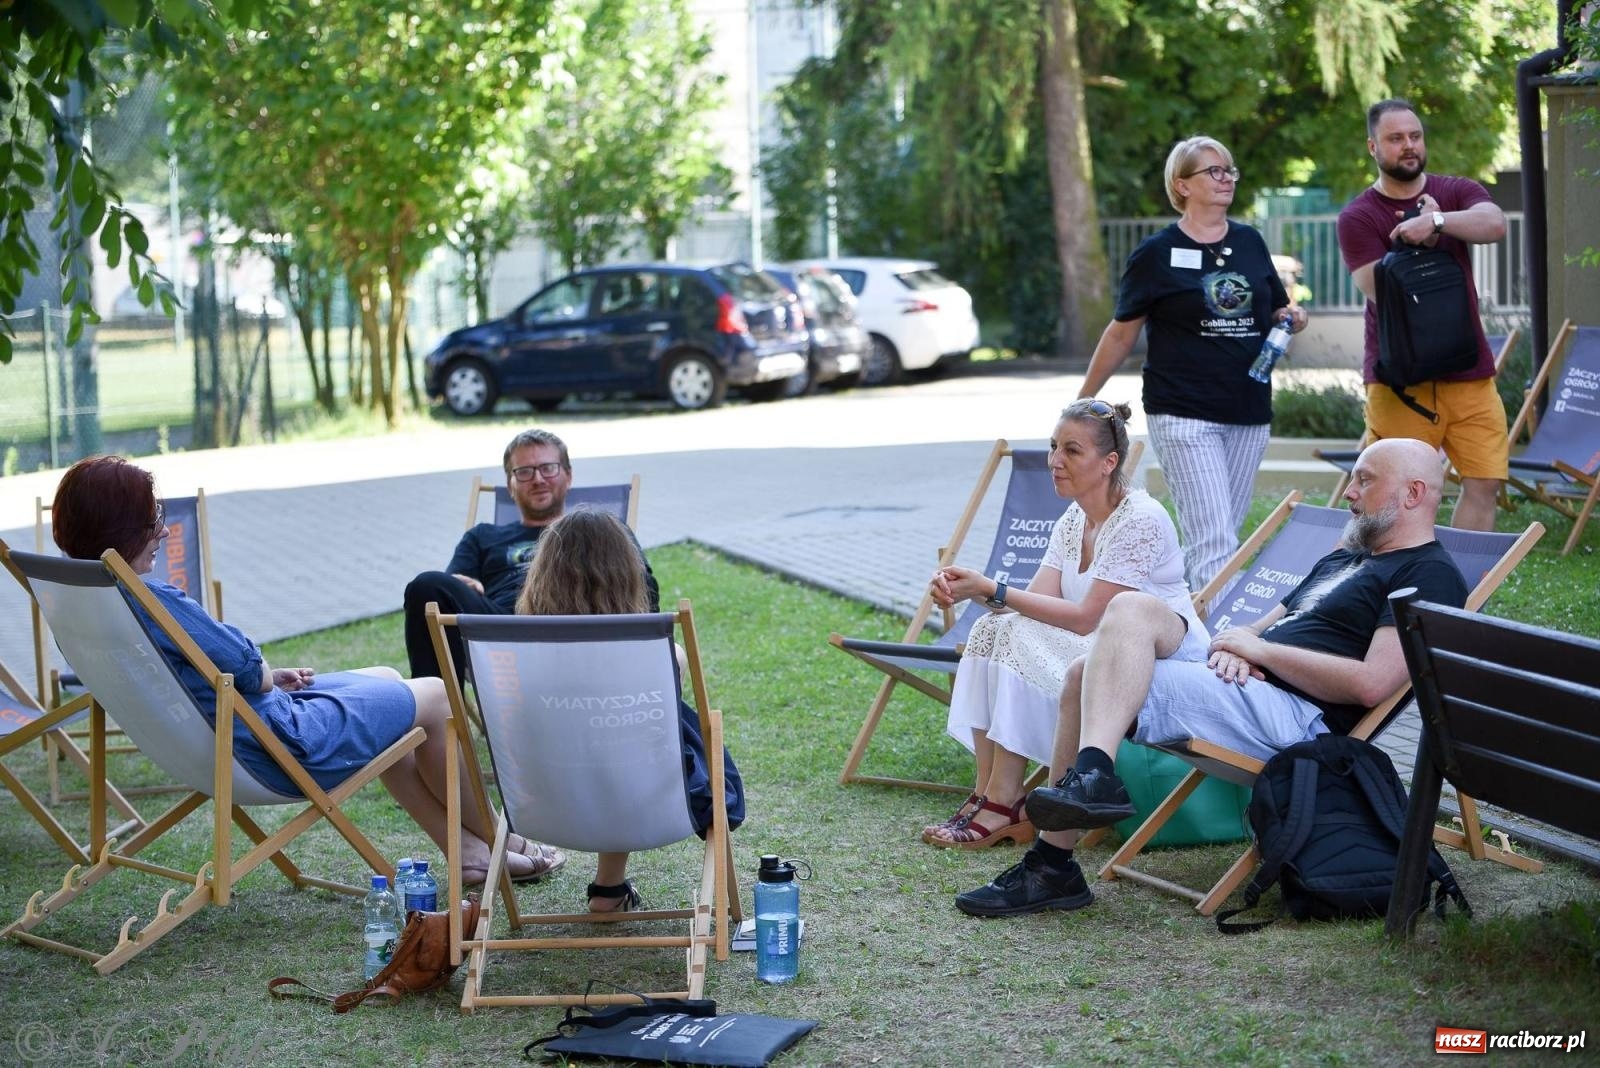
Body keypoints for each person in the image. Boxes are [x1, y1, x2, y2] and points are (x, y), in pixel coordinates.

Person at [951, 438, 1469, 917]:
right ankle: (1071, 825)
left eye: (1365, 480)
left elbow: (1371, 684)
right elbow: (1260, 627)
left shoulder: (1428, 574)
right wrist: (1240, 648)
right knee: (1096, 657)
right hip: (1251, 687)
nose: (1350, 492)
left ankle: (1061, 848)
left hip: (1299, 725)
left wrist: (1261, 652)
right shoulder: (1344, 558)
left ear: (1413, 493)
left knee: (1099, 657)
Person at [49, 455, 564, 885]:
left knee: (387, 676)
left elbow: (218, 675)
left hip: (222, 739)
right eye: (152, 517)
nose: (161, 529)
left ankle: (467, 854)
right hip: (276, 747)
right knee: (432, 693)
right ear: (120, 527)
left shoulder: (86, 599)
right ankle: (499, 841)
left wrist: (267, 679)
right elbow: (248, 668)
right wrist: (266, 677)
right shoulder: (147, 596)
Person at [923, 399, 1208, 849]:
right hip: (1092, 652)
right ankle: (989, 792)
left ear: (1109, 462)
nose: (1055, 460)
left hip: (1150, 665)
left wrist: (993, 588)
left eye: (1071, 451)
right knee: (990, 630)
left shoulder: (1141, 519)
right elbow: (1034, 603)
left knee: (1011, 633)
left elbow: (1085, 618)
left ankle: (1004, 801)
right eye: (1054, 446)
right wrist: (972, 589)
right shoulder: (1075, 518)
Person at [1078, 135, 1308, 597]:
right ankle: (1228, 654)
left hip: (1248, 410)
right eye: (1213, 171)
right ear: (1182, 185)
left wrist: (1291, 317)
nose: (1226, 179)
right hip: (1182, 412)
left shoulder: (1249, 241)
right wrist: (1084, 399)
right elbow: (1122, 331)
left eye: (1229, 170)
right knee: (1215, 542)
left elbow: (1274, 308)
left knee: (1221, 537)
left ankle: (1174, 621)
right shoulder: (1155, 253)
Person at [515, 509, 745, 913]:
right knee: (624, 746)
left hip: (538, 806)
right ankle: (608, 888)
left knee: (602, 749)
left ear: (540, 575)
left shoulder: (511, 658)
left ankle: (610, 891)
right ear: (626, 573)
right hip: (639, 801)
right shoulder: (660, 656)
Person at [1336, 98, 1509, 532]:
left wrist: (1438, 221)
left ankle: (1458, 596)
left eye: (1415, 136)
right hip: (1400, 380)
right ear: (1373, 147)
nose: (1408, 146)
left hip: (1468, 371)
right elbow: (1379, 291)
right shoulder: (1358, 216)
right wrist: (1413, 238)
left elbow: (1494, 224)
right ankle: (1385, 591)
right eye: (1395, 139)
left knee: (1484, 482)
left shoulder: (1454, 193)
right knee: (1392, 493)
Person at [402, 428, 659, 681]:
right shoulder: (482, 536)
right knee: (427, 586)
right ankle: (438, 708)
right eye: (524, 472)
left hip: (573, 622)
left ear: (568, 476)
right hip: (503, 631)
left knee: (594, 529)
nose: (537, 479)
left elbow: (646, 592)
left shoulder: (598, 531)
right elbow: (448, 591)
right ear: (510, 485)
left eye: (548, 468)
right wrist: (465, 585)